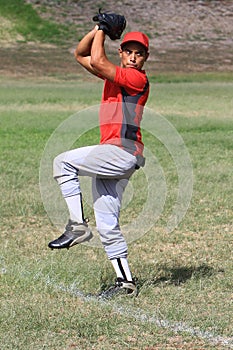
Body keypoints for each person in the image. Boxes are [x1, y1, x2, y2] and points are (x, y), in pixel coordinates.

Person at [48, 23, 150, 298]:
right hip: (116, 155)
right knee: (107, 224)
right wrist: (97, 28)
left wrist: (104, 29)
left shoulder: (136, 79)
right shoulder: (115, 76)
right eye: (128, 51)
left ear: (145, 59)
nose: (132, 56)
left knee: (62, 162)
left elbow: (97, 59)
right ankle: (125, 282)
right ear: (121, 52)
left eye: (138, 53)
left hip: (121, 152)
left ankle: (77, 226)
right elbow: (82, 55)